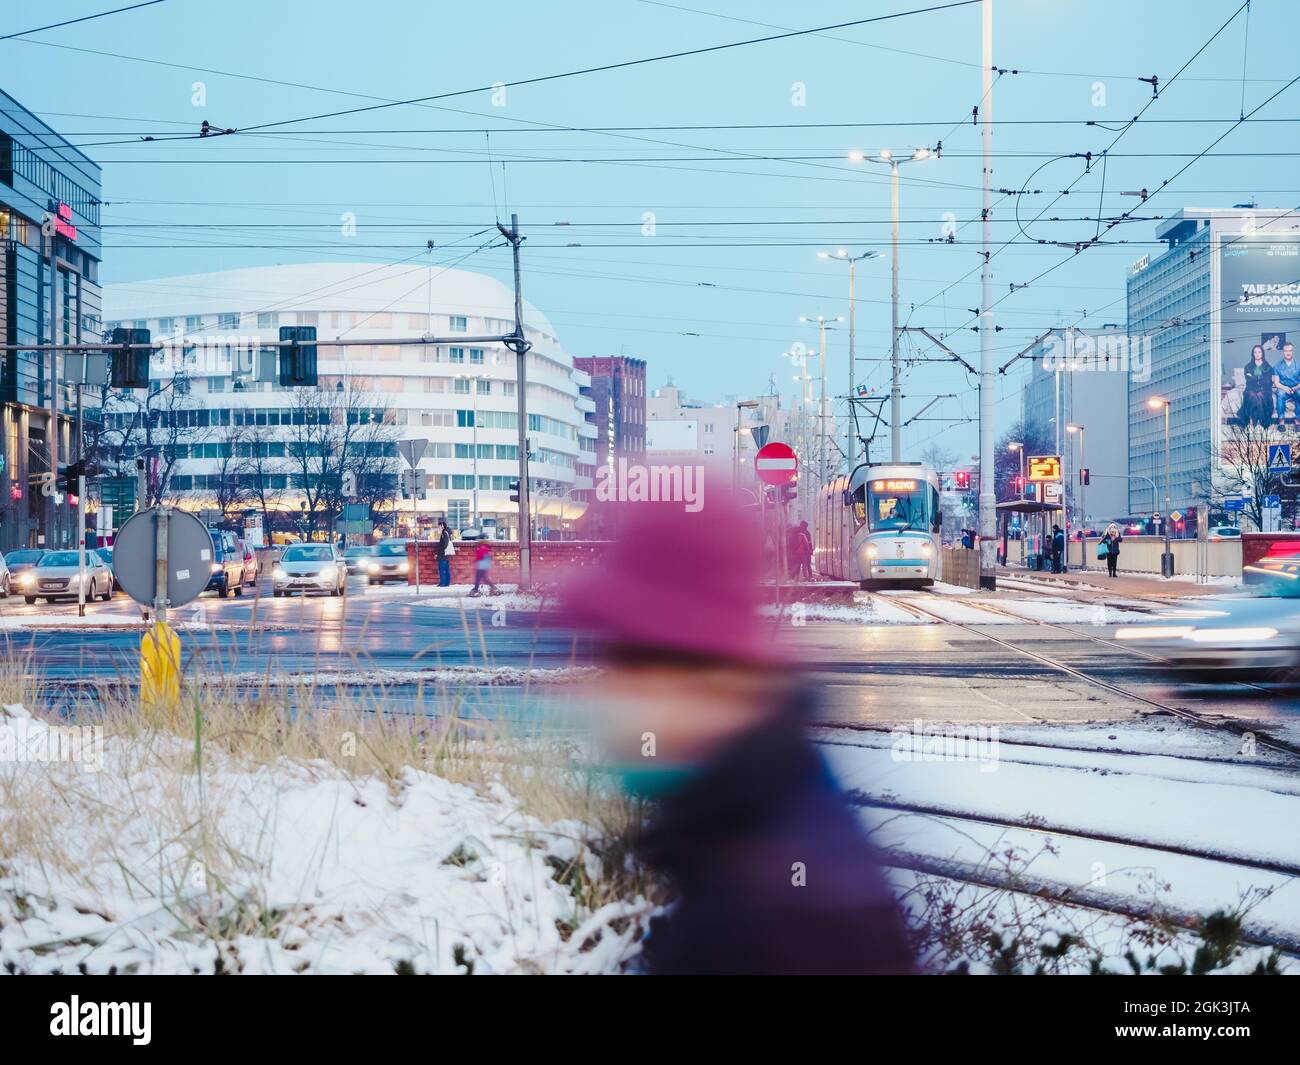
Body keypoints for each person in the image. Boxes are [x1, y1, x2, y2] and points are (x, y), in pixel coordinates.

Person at [558, 487, 915, 975]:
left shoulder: (763, 915)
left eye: (628, 660)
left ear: (706, 672)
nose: (608, 693)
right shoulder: (757, 819)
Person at [1240, 344, 1275, 427]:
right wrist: (1260, 378)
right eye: (1255, 352)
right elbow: (1249, 381)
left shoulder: (1268, 367)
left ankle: (1255, 422)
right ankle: (1258, 422)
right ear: (1253, 354)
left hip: (1265, 390)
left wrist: (1253, 377)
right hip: (1250, 389)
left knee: (1259, 395)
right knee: (1252, 395)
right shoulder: (1248, 366)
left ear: (1262, 353)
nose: (1257, 354)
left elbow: (1268, 382)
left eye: (1259, 352)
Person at [1274, 341, 1300, 430]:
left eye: (1290, 350)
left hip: (1296, 388)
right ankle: (1281, 422)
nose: (1288, 353)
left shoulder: (1299, 364)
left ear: (1292, 351)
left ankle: (1298, 422)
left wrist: (1296, 387)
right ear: (1283, 352)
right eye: (1286, 351)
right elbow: (1276, 383)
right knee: (1279, 394)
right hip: (1283, 389)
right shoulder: (1277, 366)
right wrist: (1285, 388)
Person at [435, 519, 453, 587]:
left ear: (442, 525)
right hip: (446, 554)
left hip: (443, 554)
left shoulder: (444, 533)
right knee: (446, 569)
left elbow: (444, 544)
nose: (438, 527)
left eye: (439, 526)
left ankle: (443, 583)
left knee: (442, 569)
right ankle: (447, 582)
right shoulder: (447, 532)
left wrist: (439, 553)